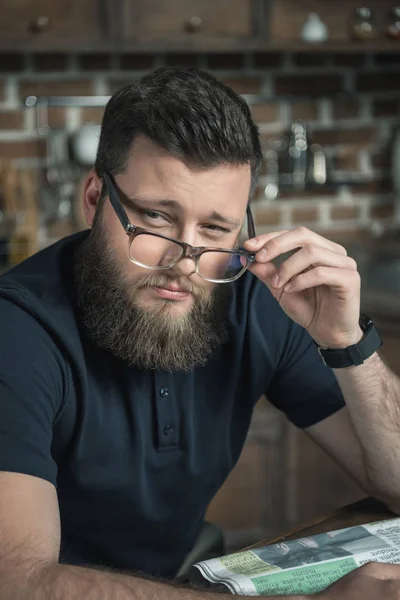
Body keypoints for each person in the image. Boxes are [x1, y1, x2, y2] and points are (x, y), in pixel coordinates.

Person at [0, 66, 400, 600]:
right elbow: (17, 580)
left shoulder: (259, 298)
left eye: (214, 229)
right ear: (95, 199)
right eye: (156, 218)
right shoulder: (16, 330)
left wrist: (347, 343)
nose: (185, 262)